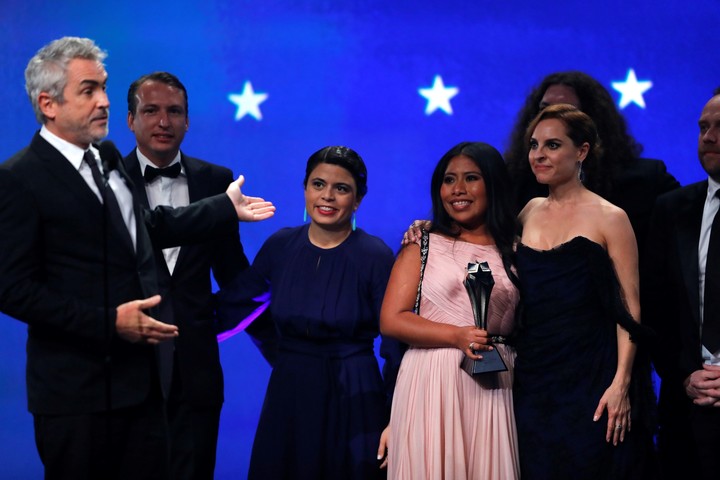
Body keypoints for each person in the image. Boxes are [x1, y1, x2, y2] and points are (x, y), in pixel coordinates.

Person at [0, 37, 273, 480]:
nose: (104, 101)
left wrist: (223, 207)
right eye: (89, 90)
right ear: (48, 104)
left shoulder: (104, 161)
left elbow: (149, 227)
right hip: (76, 394)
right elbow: (11, 289)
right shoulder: (18, 178)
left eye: (104, 88)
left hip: (141, 388)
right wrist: (109, 323)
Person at [216, 146, 403, 480]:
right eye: (318, 184)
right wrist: (174, 327)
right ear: (305, 189)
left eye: (341, 188)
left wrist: (396, 415)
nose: (327, 196)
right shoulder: (281, 245)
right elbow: (234, 307)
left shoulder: (375, 255)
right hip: (290, 390)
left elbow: (395, 344)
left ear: (357, 199)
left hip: (356, 396)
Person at [513, 104, 654, 478]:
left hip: (592, 378)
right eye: (534, 145)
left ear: (583, 151)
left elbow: (630, 308)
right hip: (533, 377)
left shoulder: (611, 217)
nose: (539, 155)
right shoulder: (527, 211)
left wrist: (621, 383)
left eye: (553, 145)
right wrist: (430, 228)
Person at [123, 71, 250, 480]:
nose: (164, 122)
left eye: (174, 111)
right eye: (152, 111)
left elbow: (234, 274)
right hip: (128, 369)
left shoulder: (217, 181)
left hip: (198, 369)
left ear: (188, 120)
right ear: (130, 120)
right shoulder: (107, 184)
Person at [380, 142, 521, 479]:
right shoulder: (422, 244)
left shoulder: (518, 249)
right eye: (449, 180)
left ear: (493, 184)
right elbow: (391, 320)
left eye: (471, 178)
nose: (457, 190)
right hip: (431, 381)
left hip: (495, 383)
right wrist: (456, 336)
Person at [504, 71, 680, 257]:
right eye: (544, 109)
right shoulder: (515, 184)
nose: (551, 119)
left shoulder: (646, 181)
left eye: (565, 111)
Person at [641, 88, 720, 478]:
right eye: (703, 127)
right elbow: (656, 308)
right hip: (689, 407)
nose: (709, 137)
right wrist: (686, 374)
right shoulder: (672, 208)